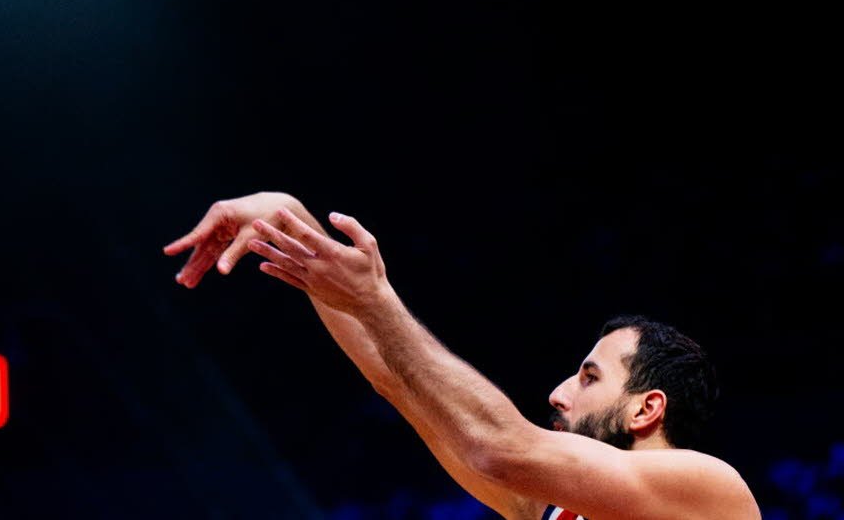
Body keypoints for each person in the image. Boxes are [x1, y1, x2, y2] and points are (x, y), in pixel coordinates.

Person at [164, 191, 761, 520]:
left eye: (589, 377)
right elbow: (399, 381)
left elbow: (498, 446)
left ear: (645, 408)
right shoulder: (552, 508)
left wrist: (377, 300)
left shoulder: (710, 490)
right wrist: (291, 226)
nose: (557, 393)